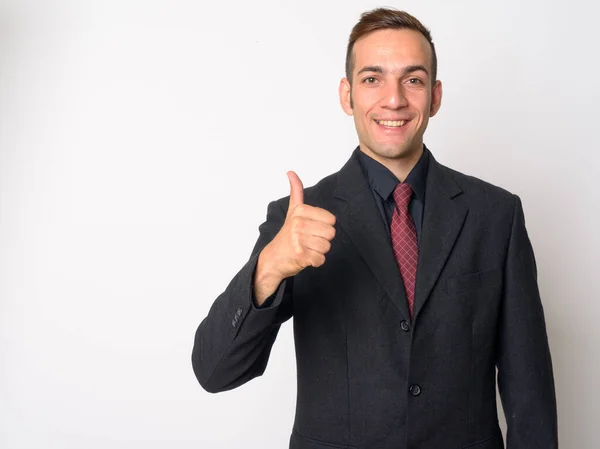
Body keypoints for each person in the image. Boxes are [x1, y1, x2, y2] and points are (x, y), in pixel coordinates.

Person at [192, 8, 558, 449]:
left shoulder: (496, 216)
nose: (394, 99)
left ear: (435, 96)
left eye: (413, 79)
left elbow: (530, 396)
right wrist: (268, 268)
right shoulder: (297, 217)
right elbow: (215, 372)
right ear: (346, 95)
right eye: (372, 79)